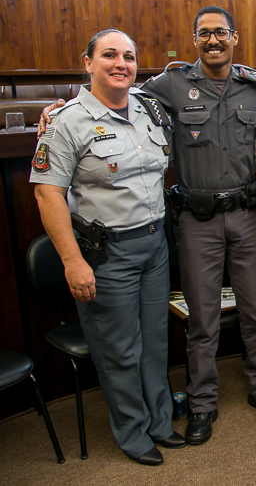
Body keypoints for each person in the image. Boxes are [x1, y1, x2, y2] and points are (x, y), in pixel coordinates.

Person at [42, 7, 256, 441]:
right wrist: (60, 107)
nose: (213, 40)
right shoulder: (168, 85)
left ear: (234, 38)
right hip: (196, 221)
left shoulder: (255, 88)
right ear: (195, 39)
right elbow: (111, 94)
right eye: (204, 33)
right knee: (202, 318)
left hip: (247, 215)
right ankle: (202, 403)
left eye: (221, 33)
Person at [30, 29, 183, 466]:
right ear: (88, 62)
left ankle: (159, 422)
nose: (121, 64)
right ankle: (132, 432)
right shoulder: (66, 121)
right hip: (106, 253)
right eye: (110, 55)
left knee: (154, 342)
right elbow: (47, 193)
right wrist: (72, 261)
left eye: (129, 57)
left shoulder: (150, 108)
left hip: (154, 245)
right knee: (120, 349)